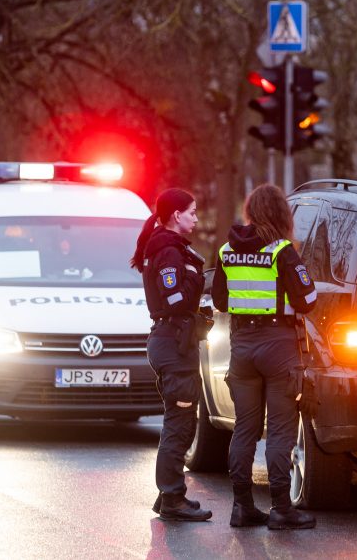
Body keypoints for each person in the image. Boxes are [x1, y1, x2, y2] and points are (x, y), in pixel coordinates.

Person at [212, 184, 317, 530]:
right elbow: (307, 301)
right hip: (278, 347)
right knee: (280, 432)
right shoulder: (282, 251)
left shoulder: (227, 250)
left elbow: (221, 301)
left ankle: (241, 507)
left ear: (251, 212)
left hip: (242, 348)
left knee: (244, 429)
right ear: (281, 215)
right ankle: (281, 509)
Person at [131, 188, 211, 522]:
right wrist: (197, 284)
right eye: (191, 212)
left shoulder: (167, 247)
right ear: (176, 215)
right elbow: (175, 299)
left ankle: (168, 495)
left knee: (178, 421)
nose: (196, 217)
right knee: (179, 423)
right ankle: (173, 496)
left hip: (172, 340)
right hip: (172, 341)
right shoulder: (167, 251)